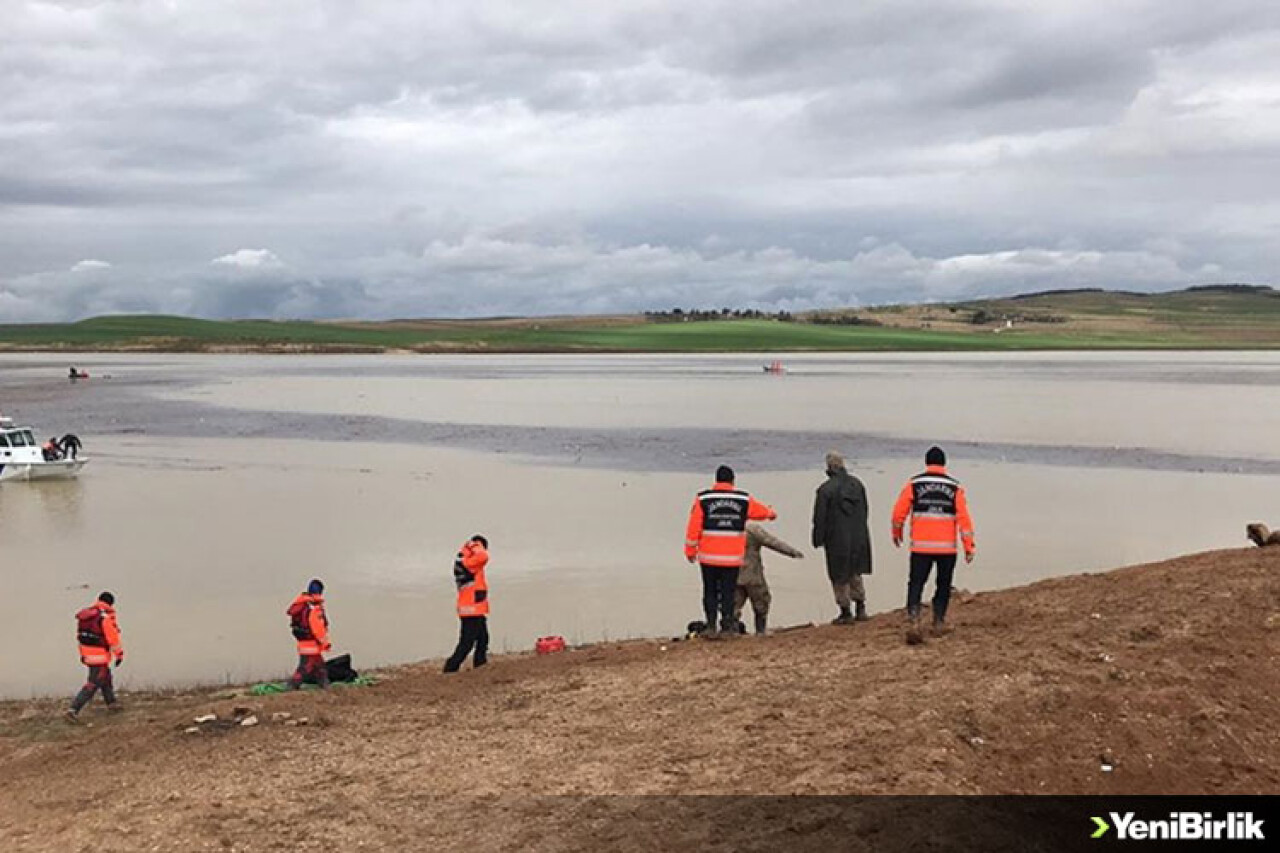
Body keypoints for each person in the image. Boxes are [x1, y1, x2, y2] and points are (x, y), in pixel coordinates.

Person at [891, 446, 976, 639]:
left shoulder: (914, 484)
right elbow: (964, 519)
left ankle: (914, 619)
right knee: (943, 584)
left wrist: (896, 532)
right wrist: (968, 546)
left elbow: (898, 512)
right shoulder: (955, 487)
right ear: (944, 464)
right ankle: (938, 621)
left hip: (921, 546)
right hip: (947, 548)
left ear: (927, 462)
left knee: (916, 583)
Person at [684, 465, 776, 636]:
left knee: (710, 591)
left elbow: (694, 525)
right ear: (733, 481)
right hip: (731, 557)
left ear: (716, 480)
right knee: (728, 592)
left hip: (708, 556)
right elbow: (760, 512)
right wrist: (771, 513)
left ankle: (711, 627)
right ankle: (727, 628)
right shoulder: (743, 499)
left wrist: (690, 549)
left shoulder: (703, 498)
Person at [811, 450, 873, 625]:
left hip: (836, 539)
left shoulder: (825, 490)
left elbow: (819, 518)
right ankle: (861, 607)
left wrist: (818, 538)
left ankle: (845, 611)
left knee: (838, 576)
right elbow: (865, 511)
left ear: (829, 467)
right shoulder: (858, 485)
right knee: (855, 572)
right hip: (858, 537)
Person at [734, 522, 803, 635]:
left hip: (732, 572)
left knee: (734, 604)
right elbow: (772, 542)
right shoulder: (752, 529)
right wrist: (792, 552)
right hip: (752, 572)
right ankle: (760, 630)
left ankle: (732, 630)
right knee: (761, 601)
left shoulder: (726, 527)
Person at [67, 591, 124, 721]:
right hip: (99, 655)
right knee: (93, 683)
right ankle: (73, 710)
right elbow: (113, 639)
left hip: (86, 653)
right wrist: (119, 655)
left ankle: (112, 704)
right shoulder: (104, 618)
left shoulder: (88, 614)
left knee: (106, 677)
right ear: (110, 604)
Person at [444, 535, 490, 673]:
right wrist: (475, 545)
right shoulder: (469, 560)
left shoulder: (464, 561)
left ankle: (480, 665)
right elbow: (483, 556)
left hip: (474, 607)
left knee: (483, 638)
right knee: (467, 643)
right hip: (471, 609)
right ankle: (451, 667)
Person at [286, 579, 331, 689]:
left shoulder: (302, 604)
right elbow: (317, 627)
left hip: (303, 640)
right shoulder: (314, 607)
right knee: (306, 667)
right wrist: (325, 642)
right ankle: (292, 685)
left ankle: (324, 685)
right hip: (312, 642)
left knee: (319, 665)